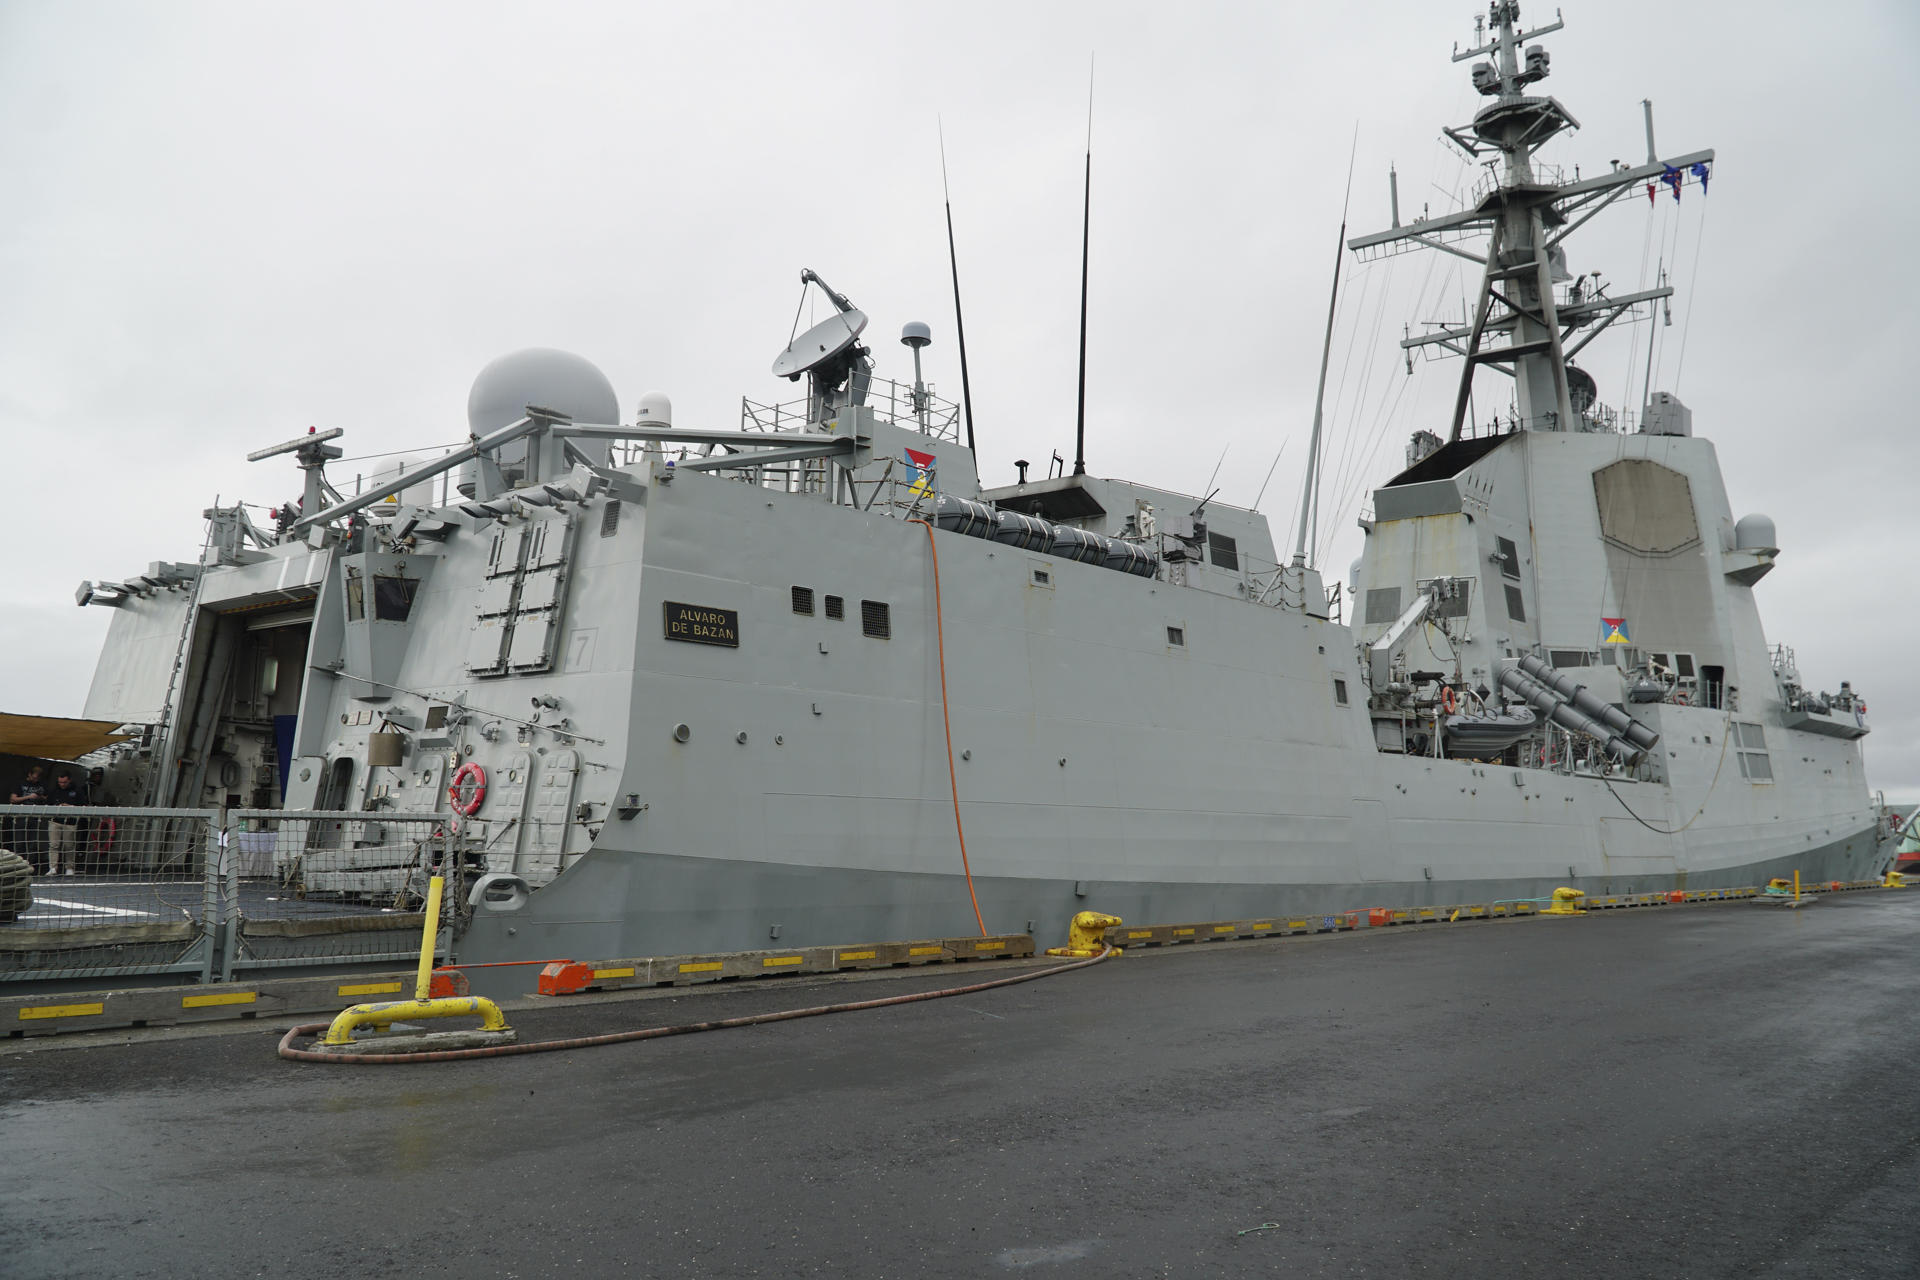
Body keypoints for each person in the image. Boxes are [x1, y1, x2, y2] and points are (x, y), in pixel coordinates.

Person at [46, 767, 87, 876]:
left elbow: (83, 806)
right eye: (60, 782)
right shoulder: (54, 790)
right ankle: (53, 867)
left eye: (64, 782)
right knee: (53, 844)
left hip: (70, 821)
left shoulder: (77, 791)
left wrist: (70, 807)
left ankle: (69, 867)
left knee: (69, 845)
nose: (62, 784)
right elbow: (48, 804)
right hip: (55, 821)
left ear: (69, 780)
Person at [9, 764, 49, 873]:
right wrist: (29, 797)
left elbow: (47, 798)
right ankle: (17, 866)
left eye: (38, 778)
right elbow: (13, 799)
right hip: (20, 817)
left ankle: (28, 866)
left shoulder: (42, 785)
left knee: (32, 844)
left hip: (35, 818)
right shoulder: (20, 784)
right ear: (29, 774)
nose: (35, 780)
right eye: (34, 777)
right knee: (19, 842)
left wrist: (39, 797)